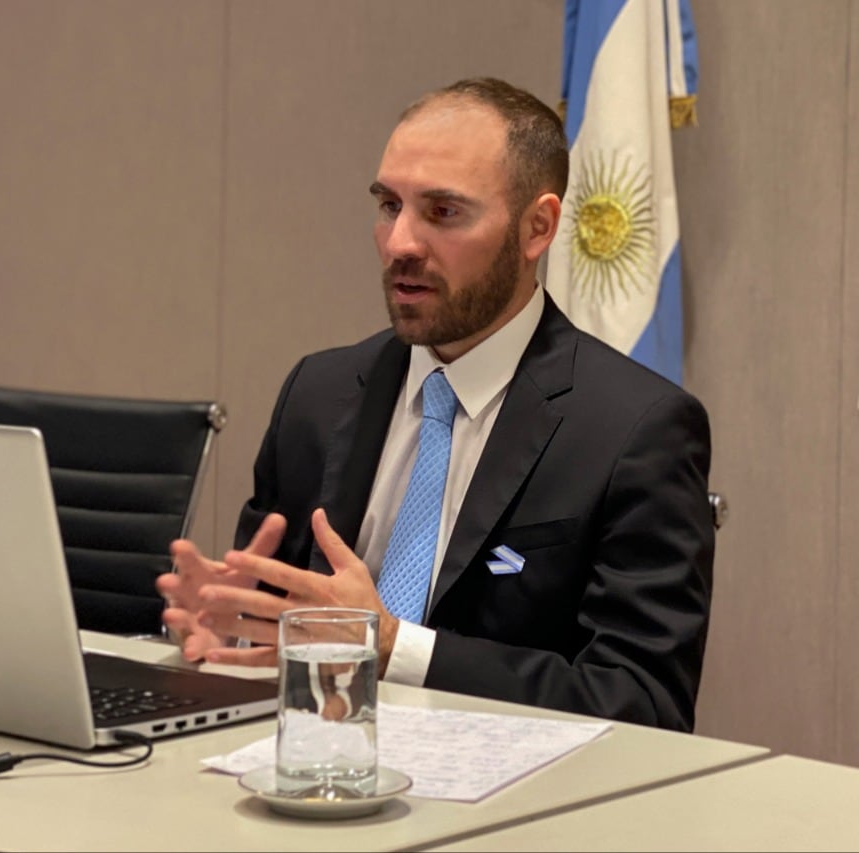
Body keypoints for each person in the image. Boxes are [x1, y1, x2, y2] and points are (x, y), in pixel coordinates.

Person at [156, 77, 714, 733]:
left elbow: (643, 704)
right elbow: (280, 621)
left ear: (539, 227)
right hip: (315, 778)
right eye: (390, 205)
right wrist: (229, 627)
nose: (400, 244)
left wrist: (395, 647)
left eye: (443, 212)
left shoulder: (634, 429)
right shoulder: (319, 391)